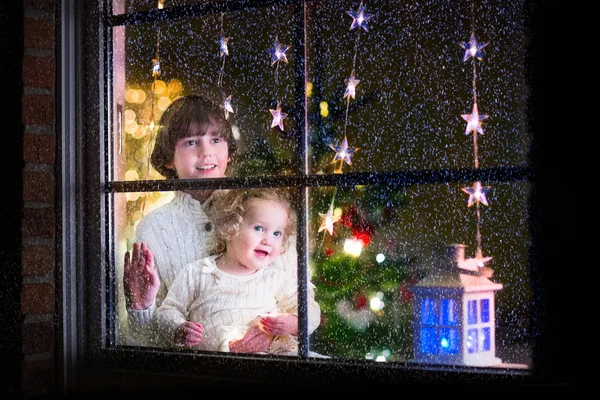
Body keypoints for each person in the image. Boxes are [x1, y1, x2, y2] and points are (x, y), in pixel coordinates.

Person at [123, 95, 317, 352]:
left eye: (216, 140)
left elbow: (302, 306)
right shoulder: (153, 229)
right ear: (168, 157)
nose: (206, 152)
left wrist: (273, 332)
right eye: (191, 142)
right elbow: (148, 342)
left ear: (228, 151)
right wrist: (141, 308)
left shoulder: (264, 212)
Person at [156, 188, 321, 355]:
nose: (268, 240)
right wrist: (178, 328)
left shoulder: (274, 278)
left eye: (277, 233)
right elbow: (167, 310)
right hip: (214, 366)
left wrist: (294, 323)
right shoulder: (198, 273)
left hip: (273, 360)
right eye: (258, 228)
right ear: (230, 228)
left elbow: (309, 308)